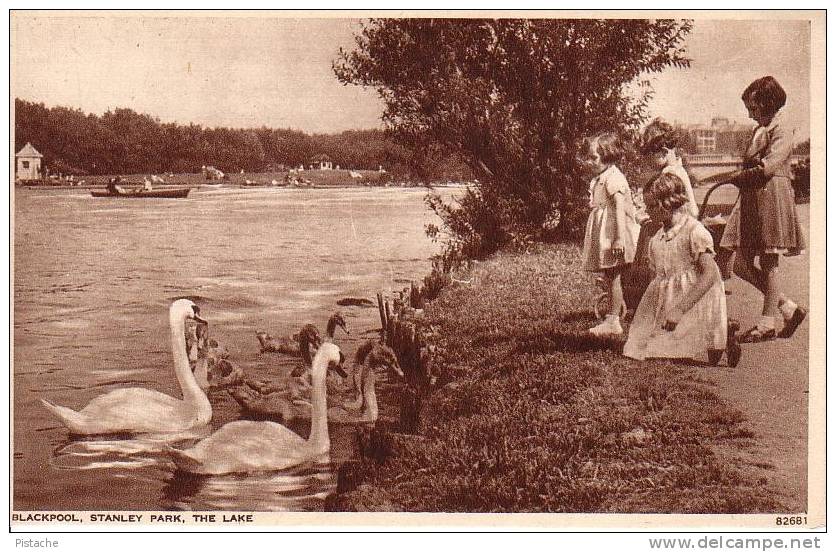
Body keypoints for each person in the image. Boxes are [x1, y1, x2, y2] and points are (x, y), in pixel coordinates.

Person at [719, 76, 806, 342]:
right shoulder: (761, 128)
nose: (749, 113)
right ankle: (787, 308)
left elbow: (768, 166)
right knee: (742, 265)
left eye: (753, 108)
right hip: (754, 198)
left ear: (768, 103)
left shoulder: (782, 127)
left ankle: (767, 322)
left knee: (769, 260)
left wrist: (738, 176)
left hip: (771, 196)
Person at [623, 173, 740, 366]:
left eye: (651, 206)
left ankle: (724, 335)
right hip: (671, 300)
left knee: (705, 353)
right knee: (642, 348)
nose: (647, 211)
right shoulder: (657, 238)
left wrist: (679, 309)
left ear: (668, 203)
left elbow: (710, 274)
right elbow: (657, 278)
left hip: (695, 299)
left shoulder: (693, 231)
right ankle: (718, 334)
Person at [581, 133, 641, 336]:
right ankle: (616, 309)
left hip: (614, 232)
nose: (589, 162)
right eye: (588, 157)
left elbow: (619, 208)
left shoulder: (614, 178)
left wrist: (618, 238)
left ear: (608, 156)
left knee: (613, 274)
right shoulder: (603, 177)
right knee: (610, 274)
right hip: (606, 232)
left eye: (593, 157)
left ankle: (613, 320)